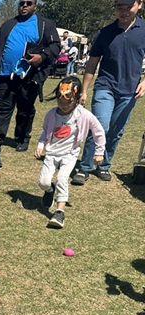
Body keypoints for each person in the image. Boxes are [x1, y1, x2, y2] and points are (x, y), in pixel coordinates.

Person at [72, 0, 145, 185]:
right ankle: (85, 167)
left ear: (139, 4)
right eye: (119, 7)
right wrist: (84, 90)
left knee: (116, 131)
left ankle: (104, 165)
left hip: (129, 91)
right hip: (105, 86)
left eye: (128, 7)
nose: (124, 11)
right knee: (99, 126)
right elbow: (92, 64)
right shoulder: (104, 33)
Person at [0, 0, 60, 152]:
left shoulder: (44, 24)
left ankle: (23, 138)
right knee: (3, 108)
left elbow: (55, 46)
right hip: (5, 74)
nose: (24, 5)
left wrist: (42, 57)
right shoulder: (8, 25)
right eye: (21, 3)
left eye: (29, 3)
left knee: (25, 108)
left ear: (35, 6)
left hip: (29, 75)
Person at [35, 77, 105, 228]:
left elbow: (99, 132)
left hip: (69, 154)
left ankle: (59, 212)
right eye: (60, 102)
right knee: (43, 182)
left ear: (77, 98)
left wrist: (99, 152)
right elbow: (46, 131)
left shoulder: (83, 115)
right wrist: (41, 145)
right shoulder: (51, 114)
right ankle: (49, 191)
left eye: (68, 102)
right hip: (51, 153)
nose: (64, 106)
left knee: (62, 179)